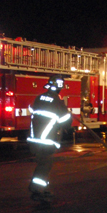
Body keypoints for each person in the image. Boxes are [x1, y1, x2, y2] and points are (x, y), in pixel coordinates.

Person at [27, 75, 71, 203]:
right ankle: (36, 190)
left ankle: (42, 188)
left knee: (43, 164)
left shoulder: (39, 97)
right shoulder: (58, 102)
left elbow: (32, 110)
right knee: (45, 165)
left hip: (34, 139)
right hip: (47, 141)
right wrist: (68, 119)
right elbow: (65, 122)